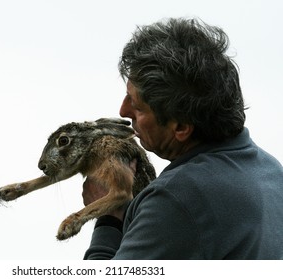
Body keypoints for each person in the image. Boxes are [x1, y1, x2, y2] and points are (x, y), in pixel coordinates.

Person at [82, 17, 283, 260]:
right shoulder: (272, 172)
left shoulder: (176, 198)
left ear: (181, 127)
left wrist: (109, 215)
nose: (123, 111)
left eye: (137, 106)